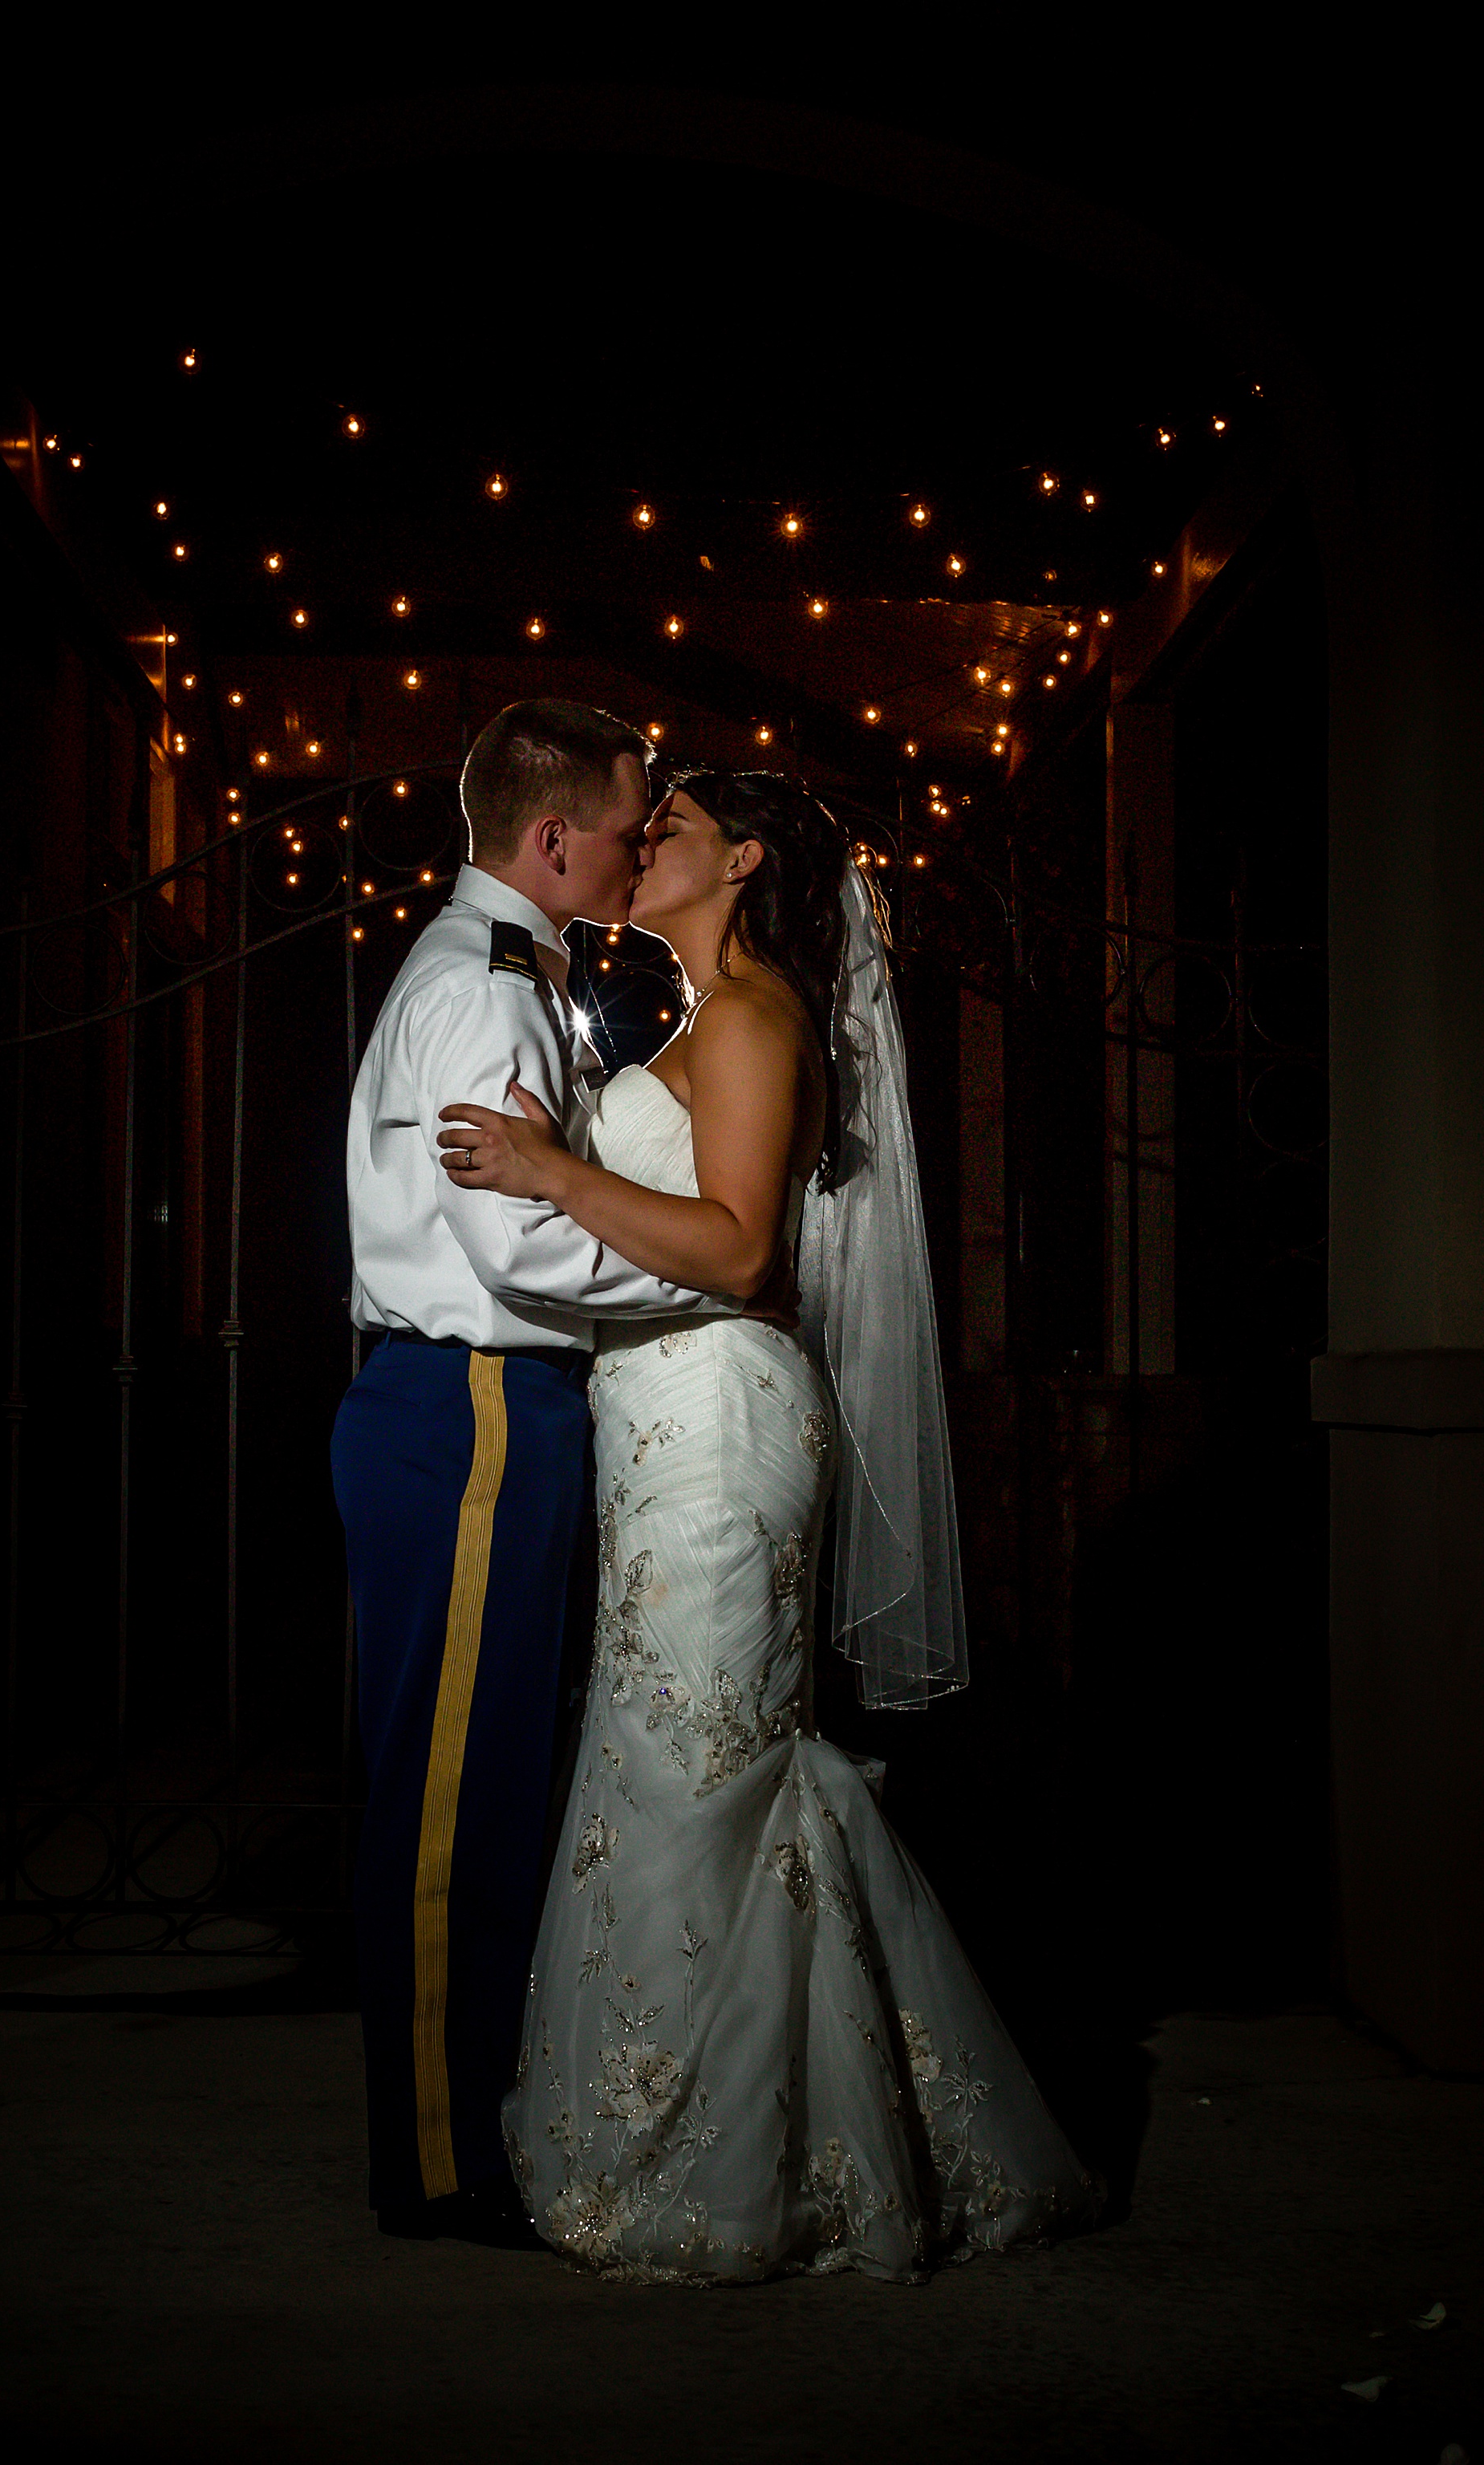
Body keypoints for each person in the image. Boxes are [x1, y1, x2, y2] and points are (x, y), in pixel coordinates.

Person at [437, 769, 1104, 2280]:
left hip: (722, 1430)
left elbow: (741, 1249)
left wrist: (552, 1169)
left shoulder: (752, 1016)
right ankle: (722, 2122)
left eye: (668, 821)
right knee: (680, 1772)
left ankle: (742, 2161)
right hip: (661, 1431)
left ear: (742, 861)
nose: (640, 837)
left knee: (704, 1779)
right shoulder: (696, 1014)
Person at [331, 701, 756, 2248]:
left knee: (478, 1777)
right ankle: (438, 2165)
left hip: (461, 1405)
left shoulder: (499, 974)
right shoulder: (487, 994)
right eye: (632, 823)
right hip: (477, 1403)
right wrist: (708, 1282)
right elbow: (516, 1252)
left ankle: (451, 2127)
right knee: (457, 1800)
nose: (645, 846)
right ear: (553, 839)